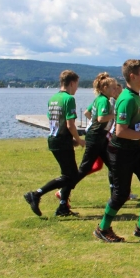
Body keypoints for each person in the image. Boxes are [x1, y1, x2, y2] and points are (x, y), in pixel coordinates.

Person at [94, 59, 140, 242]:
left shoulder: (134, 95)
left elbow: (133, 127)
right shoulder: (127, 99)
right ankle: (103, 228)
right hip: (120, 151)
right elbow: (120, 131)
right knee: (121, 194)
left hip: (134, 148)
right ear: (133, 76)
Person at [23, 70, 84, 217]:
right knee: (70, 176)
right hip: (62, 141)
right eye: (77, 85)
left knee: (69, 174)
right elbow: (70, 124)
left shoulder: (53, 99)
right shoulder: (69, 99)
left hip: (55, 139)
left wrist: (70, 139)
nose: (77, 88)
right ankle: (36, 194)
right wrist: (79, 139)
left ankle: (63, 207)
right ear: (72, 83)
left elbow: (54, 122)